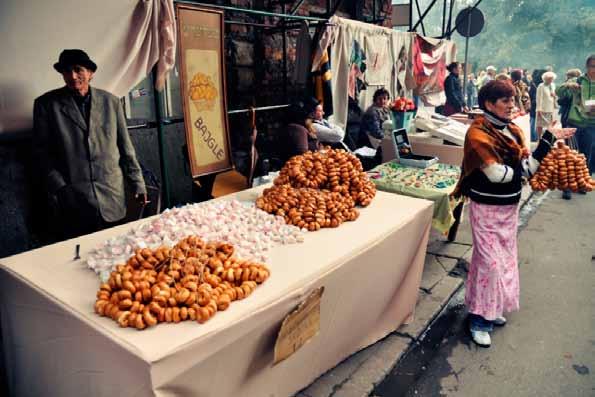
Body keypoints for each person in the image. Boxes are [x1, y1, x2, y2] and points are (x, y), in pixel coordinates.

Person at [452, 80, 575, 348]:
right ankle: (479, 321)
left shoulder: (514, 131)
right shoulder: (477, 134)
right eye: (505, 100)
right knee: (490, 264)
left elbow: (527, 166)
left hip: (509, 207)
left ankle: (488, 308)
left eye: (513, 100)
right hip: (485, 208)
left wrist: (550, 140)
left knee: (503, 260)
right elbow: (498, 175)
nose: (512, 105)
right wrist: (535, 158)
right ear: (488, 104)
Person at [33, 49, 147, 240]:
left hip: (112, 195)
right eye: (66, 71)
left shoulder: (111, 102)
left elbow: (126, 149)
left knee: (116, 253)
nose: (72, 76)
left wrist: (138, 183)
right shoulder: (46, 105)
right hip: (74, 198)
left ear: (91, 73)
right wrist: (61, 188)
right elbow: (41, 153)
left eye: (78, 70)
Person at [556, 54, 595, 199]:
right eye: (592, 66)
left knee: (585, 156)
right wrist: (567, 85)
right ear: (587, 66)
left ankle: (581, 184)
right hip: (573, 122)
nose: (594, 70)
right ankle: (566, 187)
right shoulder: (578, 80)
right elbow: (558, 92)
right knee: (570, 154)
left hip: (592, 125)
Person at [280, 99, 319, 164]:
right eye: (310, 115)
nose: (313, 117)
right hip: (308, 167)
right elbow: (302, 155)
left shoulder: (301, 128)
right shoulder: (298, 130)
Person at [536, 71, 558, 139]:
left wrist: (555, 96)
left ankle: (548, 138)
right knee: (540, 124)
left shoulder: (553, 85)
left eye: (552, 79)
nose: (551, 80)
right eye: (549, 79)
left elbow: (555, 95)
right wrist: (539, 109)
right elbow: (539, 98)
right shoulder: (541, 86)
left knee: (550, 124)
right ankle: (539, 138)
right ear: (545, 79)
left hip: (551, 108)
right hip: (542, 108)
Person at [528, 69, 546, 141]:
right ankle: (536, 137)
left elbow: (530, 94)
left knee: (533, 120)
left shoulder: (533, 83)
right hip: (539, 105)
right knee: (537, 121)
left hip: (533, 104)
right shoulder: (543, 85)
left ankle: (533, 137)